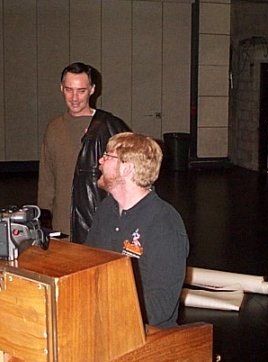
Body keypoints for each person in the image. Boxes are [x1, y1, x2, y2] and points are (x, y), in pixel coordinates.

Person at [85, 132, 189, 328]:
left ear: (127, 169)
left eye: (107, 156)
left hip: (147, 334)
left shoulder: (164, 223)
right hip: (103, 320)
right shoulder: (107, 209)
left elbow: (160, 305)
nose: (100, 160)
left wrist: (106, 313)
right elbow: (87, 263)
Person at [38, 62, 131, 243]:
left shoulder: (109, 127)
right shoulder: (54, 128)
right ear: (61, 88)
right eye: (68, 89)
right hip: (62, 227)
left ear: (92, 90)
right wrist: (42, 221)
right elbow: (47, 181)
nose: (74, 98)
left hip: (99, 224)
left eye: (81, 90)